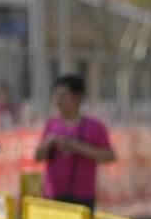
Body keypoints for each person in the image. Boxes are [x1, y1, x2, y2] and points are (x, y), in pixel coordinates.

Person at [34, 74, 115, 211]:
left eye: (63, 96)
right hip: (52, 196)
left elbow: (109, 156)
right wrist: (48, 143)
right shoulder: (51, 125)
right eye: (56, 96)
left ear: (77, 97)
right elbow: (38, 157)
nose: (58, 101)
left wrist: (78, 148)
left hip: (82, 197)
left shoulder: (94, 126)